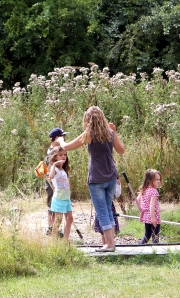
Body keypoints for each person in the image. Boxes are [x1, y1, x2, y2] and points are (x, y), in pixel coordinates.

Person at [57, 106, 125, 252]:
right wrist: (114, 132)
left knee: (102, 211)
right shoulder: (110, 133)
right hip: (111, 177)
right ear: (102, 117)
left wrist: (61, 140)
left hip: (96, 179)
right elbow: (121, 150)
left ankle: (110, 245)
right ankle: (110, 242)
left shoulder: (88, 134)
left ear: (87, 120)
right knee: (107, 209)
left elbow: (66, 147)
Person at [45, 128, 68, 236]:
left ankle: (55, 228)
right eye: (62, 136)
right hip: (52, 184)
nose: (64, 138)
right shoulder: (51, 152)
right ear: (56, 138)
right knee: (52, 205)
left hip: (60, 184)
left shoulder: (59, 150)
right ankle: (51, 228)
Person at [48, 146, 73, 240]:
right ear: (55, 157)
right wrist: (54, 165)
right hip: (59, 198)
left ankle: (65, 240)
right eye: (60, 155)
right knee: (58, 220)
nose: (63, 157)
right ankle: (53, 241)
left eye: (64, 155)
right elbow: (50, 176)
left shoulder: (63, 170)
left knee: (70, 219)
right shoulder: (55, 169)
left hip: (66, 198)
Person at [137, 169, 162, 244]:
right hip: (154, 217)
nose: (158, 181)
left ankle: (140, 248)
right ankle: (156, 252)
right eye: (156, 179)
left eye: (159, 179)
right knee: (155, 236)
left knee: (147, 235)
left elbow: (137, 200)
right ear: (150, 180)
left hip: (146, 216)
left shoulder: (145, 190)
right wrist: (153, 218)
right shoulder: (154, 191)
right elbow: (152, 205)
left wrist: (141, 210)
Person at [93, 178, 122, 244]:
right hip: (101, 204)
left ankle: (110, 244)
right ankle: (105, 245)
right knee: (103, 229)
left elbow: (117, 194)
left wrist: (118, 184)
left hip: (109, 204)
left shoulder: (113, 178)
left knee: (110, 226)